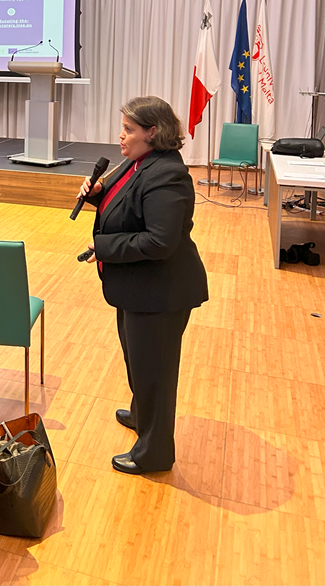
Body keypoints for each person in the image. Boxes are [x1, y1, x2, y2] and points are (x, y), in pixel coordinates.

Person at [77, 96, 208, 475]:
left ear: (153, 132)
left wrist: (103, 246)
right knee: (139, 361)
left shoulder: (167, 174)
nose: (121, 136)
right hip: (136, 287)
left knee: (156, 372)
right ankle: (141, 415)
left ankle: (154, 452)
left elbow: (159, 241)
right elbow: (125, 206)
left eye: (129, 130)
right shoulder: (137, 164)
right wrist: (98, 195)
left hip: (161, 293)